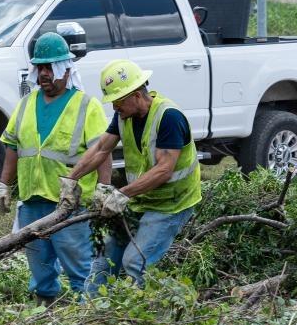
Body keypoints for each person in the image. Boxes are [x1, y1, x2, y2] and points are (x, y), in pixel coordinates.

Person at [66, 59, 201, 292]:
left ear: (136, 94)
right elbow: (101, 149)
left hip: (171, 205)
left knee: (135, 261)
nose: (114, 107)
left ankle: (138, 316)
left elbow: (163, 170)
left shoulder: (168, 117)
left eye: (118, 101)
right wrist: (71, 179)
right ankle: (88, 313)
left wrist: (121, 194)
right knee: (104, 259)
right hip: (140, 201)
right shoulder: (123, 117)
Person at [0, 32, 110, 303]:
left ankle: (88, 310)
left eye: (50, 67)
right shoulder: (25, 105)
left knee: (77, 262)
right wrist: (4, 185)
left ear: (65, 70)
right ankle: (45, 306)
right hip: (32, 199)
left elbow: (103, 151)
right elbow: (12, 147)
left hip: (69, 202)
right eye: (41, 68)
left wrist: (104, 188)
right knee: (39, 263)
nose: (45, 74)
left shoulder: (85, 105)